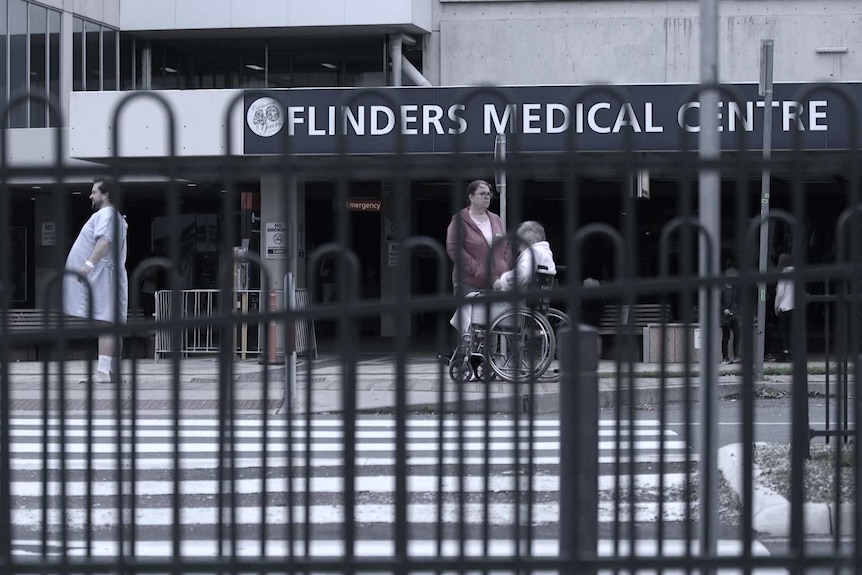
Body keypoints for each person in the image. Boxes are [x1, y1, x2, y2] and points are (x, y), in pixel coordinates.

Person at [62, 176, 129, 384]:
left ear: (106, 194)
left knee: (105, 323)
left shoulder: (106, 214)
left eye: (94, 191)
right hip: (109, 274)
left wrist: (87, 265)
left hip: (103, 274)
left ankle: (102, 372)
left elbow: (104, 241)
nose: (90, 195)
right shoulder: (114, 216)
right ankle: (111, 371)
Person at [439, 180, 511, 360]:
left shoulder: (495, 219)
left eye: (489, 194)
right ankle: (465, 356)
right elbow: (454, 249)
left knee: (490, 321)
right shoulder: (460, 221)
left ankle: (479, 358)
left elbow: (506, 246)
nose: (487, 197)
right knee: (471, 317)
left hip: (496, 282)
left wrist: (504, 267)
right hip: (468, 282)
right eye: (482, 194)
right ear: (470, 197)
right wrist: (480, 271)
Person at [493, 220, 556, 291]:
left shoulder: (531, 253)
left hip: (525, 299)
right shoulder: (545, 253)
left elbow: (521, 274)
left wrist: (502, 282)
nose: (518, 249)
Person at [774, 252, 795, 362]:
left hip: (785, 306)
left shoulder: (784, 273)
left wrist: (776, 306)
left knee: (783, 331)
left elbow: (780, 292)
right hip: (795, 306)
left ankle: (785, 352)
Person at [720, 267, 741, 364]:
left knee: (737, 334)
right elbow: (718, 303)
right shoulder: (722, 289)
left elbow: (737, 301)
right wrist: (724, 309)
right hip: (724, 317)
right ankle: (725, 357)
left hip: (733, 315)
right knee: (726, 337)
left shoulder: (735, 289)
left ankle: (736, 355)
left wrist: (735, 310)